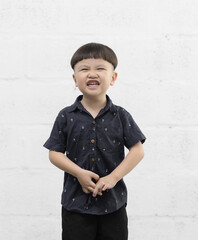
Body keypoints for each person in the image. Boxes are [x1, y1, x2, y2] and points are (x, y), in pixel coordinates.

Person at [43, 42, 146, 240]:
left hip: (113, 205)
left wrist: (113, 178)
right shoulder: (66, 116)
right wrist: (79, 173)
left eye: (100, 68)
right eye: (84, 69)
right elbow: (54, 153)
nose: (92, 74)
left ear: (113, 77)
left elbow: (137, 151)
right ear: (75, 79)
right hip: (76, 205)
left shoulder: (121, 115)